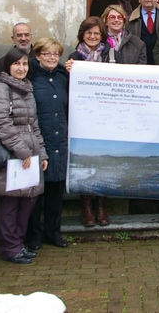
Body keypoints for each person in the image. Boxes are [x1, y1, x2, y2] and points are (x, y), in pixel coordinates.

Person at [0, 48, 49, 264]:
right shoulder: (1, 89)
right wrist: (22, 152)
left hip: (31, 153)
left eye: (24, 64)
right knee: (11, 203)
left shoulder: (27, 89)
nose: (21, 68)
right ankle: (9, 247)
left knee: (28, 201)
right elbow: (1, 123)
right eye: (17, 64)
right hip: (13, 154)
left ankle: (18, 244)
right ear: (7, 67)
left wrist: (42, 153)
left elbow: (34, 125)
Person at [65, 16, 113, 226]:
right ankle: (85, 205)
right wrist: (67, 72)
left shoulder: (111, 55)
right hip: (82, 116)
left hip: (106, 115)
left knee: (103, 159)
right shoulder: (73, 58)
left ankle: (101, 205)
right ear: (82, 35)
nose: (93, 37)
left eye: (96, 33)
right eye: (88, 33)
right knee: (85, 158)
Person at [26, 38, 70, 251]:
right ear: (37, 56)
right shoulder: (31, 78)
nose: (52, 57)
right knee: (35, 192)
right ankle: (33, 235)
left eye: (55, 54)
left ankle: (53, 232)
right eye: (47, 54)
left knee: (55, 192)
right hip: (38, 141)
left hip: (59, 140)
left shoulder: (63, 77)